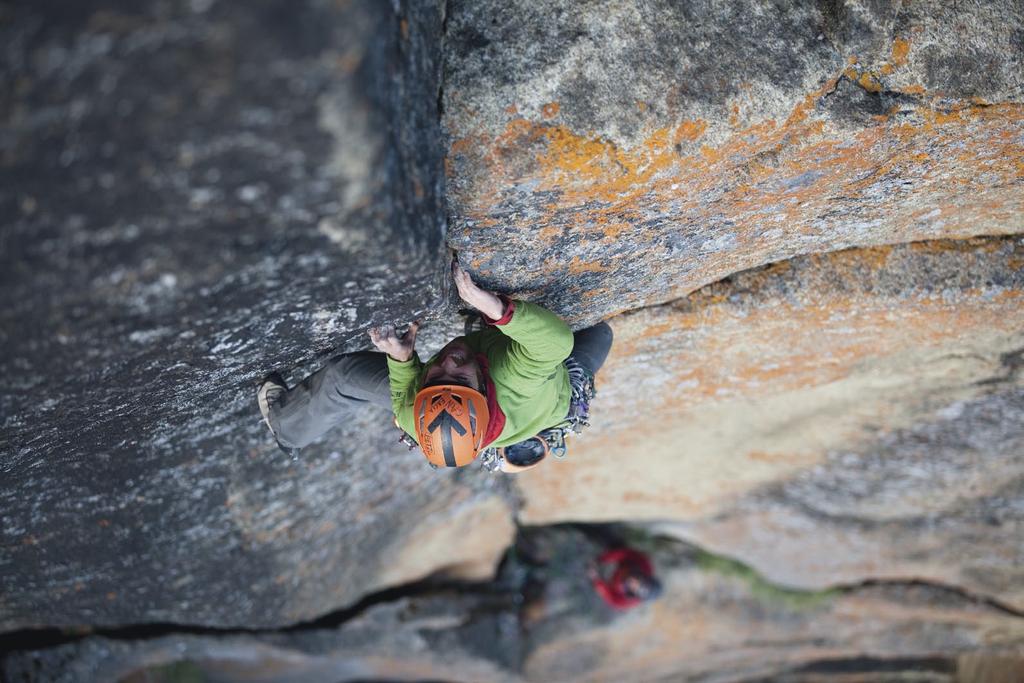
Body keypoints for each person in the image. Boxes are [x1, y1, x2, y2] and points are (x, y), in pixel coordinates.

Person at [257, 260, 612, 470]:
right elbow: (555, 344)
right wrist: (496, 309)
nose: (448, 362)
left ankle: (290, 429)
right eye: (459, 377)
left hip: (496, 402)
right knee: (600, 333)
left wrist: (402, 360)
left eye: (437, 376)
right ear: (484, 387)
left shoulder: (413, 413)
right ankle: (520, 441)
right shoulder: (515, 380)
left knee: (344, 377)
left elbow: (403, 390)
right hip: (551, 400)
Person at [587, 547, 662, 610]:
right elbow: (625, 553)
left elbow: (610, 596)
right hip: (619, 562)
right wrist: (601, 559)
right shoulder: (644, 565)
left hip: (609, 581)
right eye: (642, 581)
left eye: (638, 590)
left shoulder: (627, 601)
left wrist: (596, 580)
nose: (635, 584)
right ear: (645, 576)